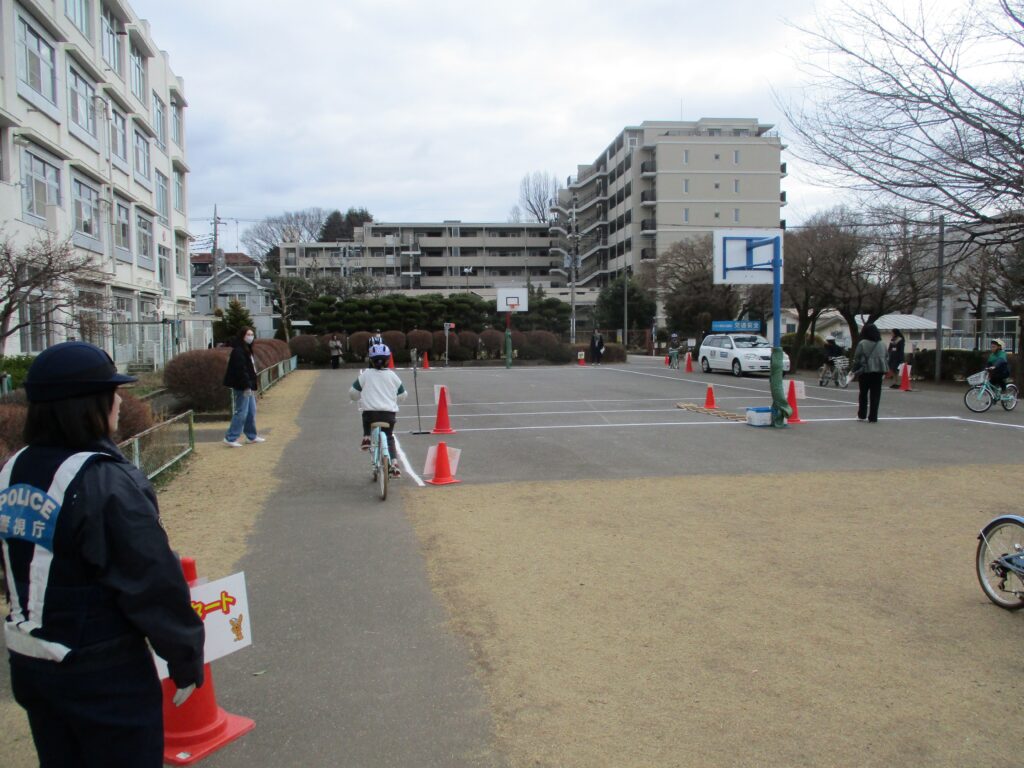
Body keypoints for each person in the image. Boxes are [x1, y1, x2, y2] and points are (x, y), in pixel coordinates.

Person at [0, 341, 205, 767]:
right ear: (86, 404)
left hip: (30, 660)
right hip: (101, 669)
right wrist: (185, 655)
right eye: (112, 392)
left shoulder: (13, 468)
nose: (120, 401)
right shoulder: (102, 480)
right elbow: (151, 580)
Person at [350, 343, 407, 477]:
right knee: (389, 437)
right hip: (389, 415)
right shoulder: (392, 375)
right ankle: (394, 463)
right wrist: (396, 400)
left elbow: (353, 392)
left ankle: (366, 437)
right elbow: (403, 394)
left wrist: (357, 397)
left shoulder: (366, 374)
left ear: (371, 360)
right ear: (388, 360)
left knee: (365, 415)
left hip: (371, 415)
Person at [223, 326, 265, 447]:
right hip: (242, 386)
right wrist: (247, 385)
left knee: (251, 411)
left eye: (252, 334)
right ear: (242, 336)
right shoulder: (238, 351)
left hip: (248, 385)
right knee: (242, 411)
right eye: (248, 334)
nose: (250, 337)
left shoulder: (247, 349)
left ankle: (251, 436)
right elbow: (241, 370)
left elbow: (250, 369)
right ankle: (231, 437)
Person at [852, 323, 889, 422]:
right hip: (879, 372)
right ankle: (873, 417)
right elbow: (886, 357)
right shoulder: (882, 344)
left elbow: (857, 358)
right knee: (876, 395)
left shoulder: (862, 343)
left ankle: (862, 415)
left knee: (863, 394)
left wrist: (853, 370)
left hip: (865, 371)